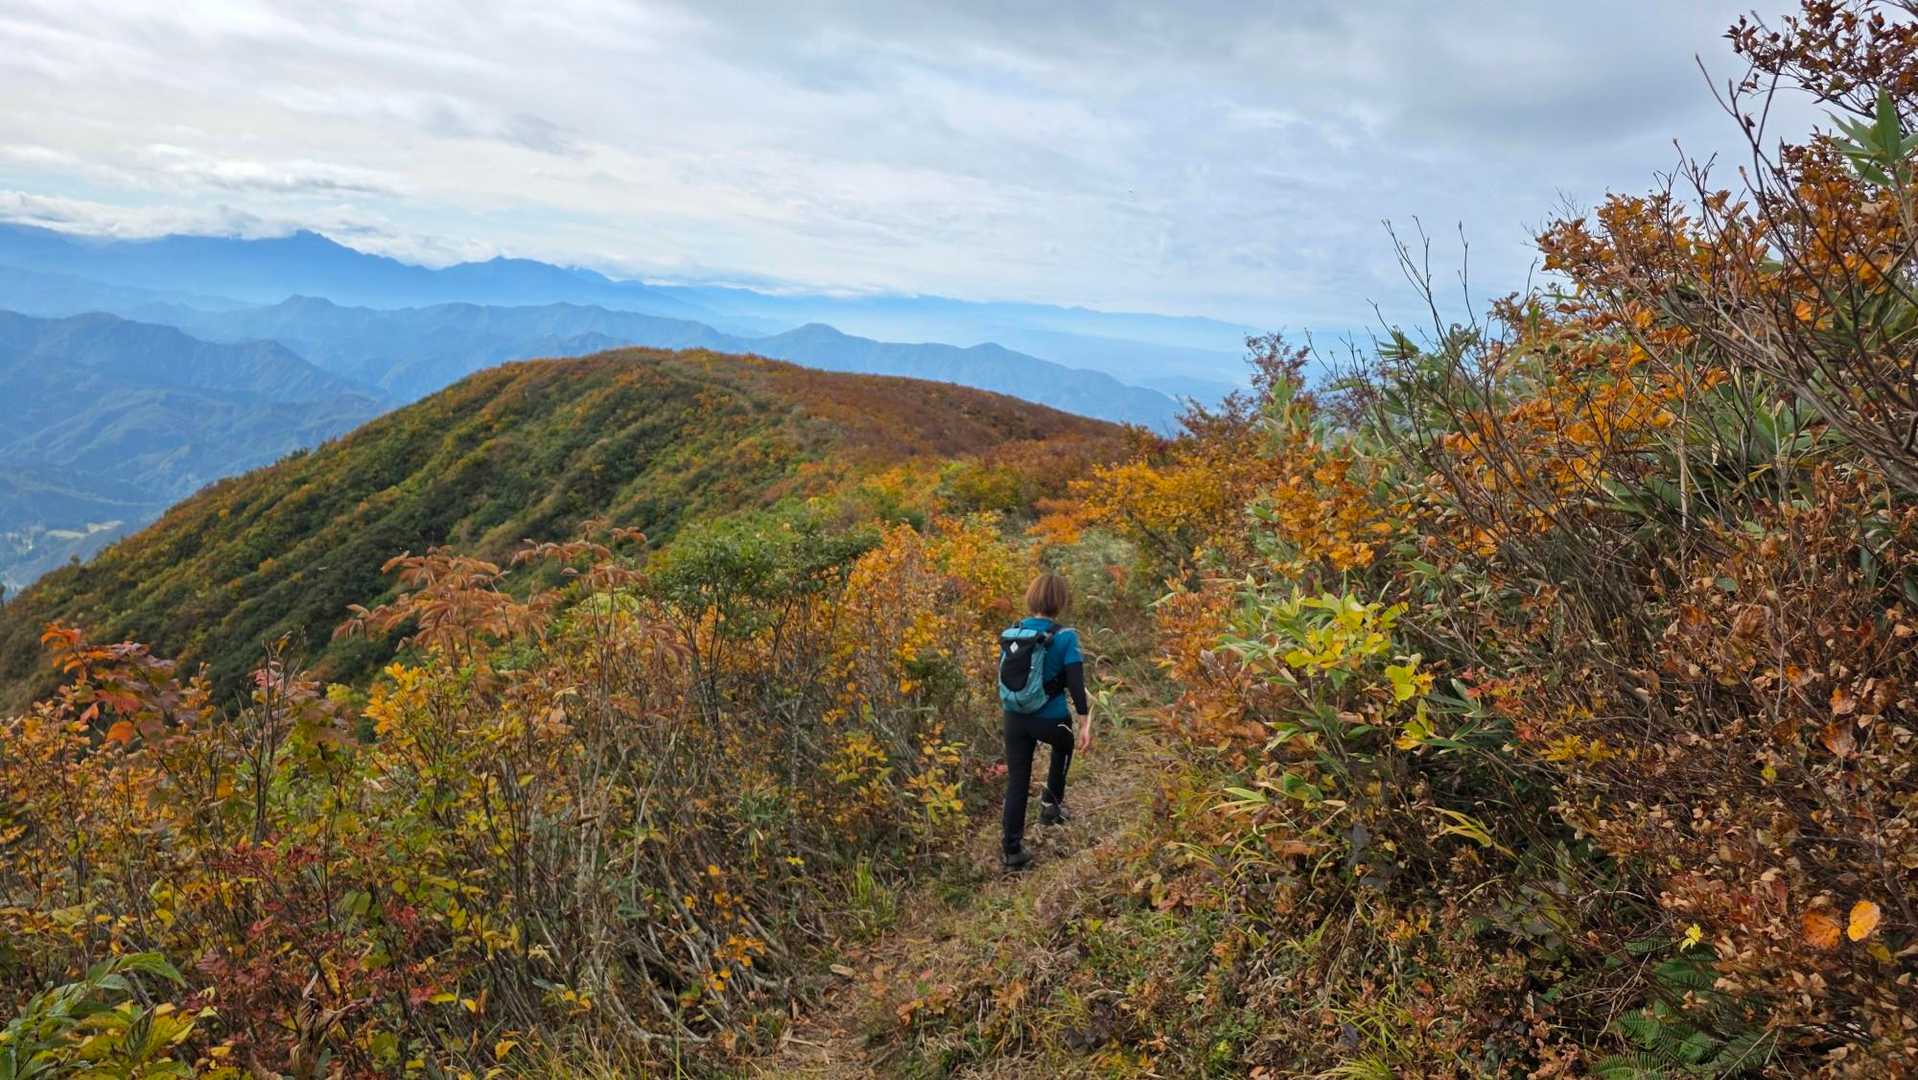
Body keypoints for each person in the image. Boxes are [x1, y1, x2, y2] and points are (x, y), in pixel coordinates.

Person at [1000, 572, 1093, 871]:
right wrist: (1084, 722)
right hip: (1050, 719)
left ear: (1032, 597)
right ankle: (1051, 806)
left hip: (1014, 717)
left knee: (1017, 780)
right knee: (1064, 744)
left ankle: (1012, 851)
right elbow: (1076, 684)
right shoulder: (1066, 637)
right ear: (1060, 601)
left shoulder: (1014, 632)